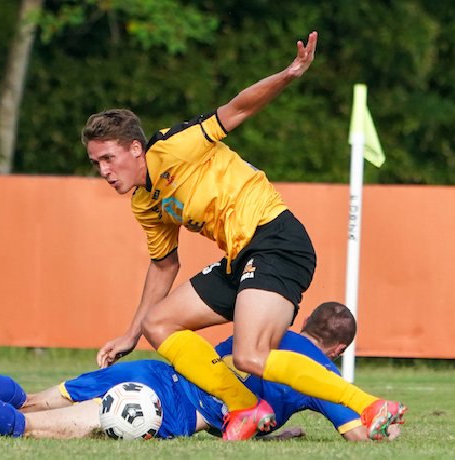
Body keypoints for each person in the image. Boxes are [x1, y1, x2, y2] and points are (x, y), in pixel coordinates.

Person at [81, 30, 405, 440]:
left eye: (108, 158)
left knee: (250, 355)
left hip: (276, 240)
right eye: (96, 163)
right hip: (242, 256)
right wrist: (132, 331)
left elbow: (235, 109)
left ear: (134, 148)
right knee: (158, 323)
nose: (104, 171)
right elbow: (164, 264)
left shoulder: (174, 147)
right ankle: (244, 408)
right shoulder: (144, 203)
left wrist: (288, 74)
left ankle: (368, 405)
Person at [0, 302, 403, 441]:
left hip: (156, 369)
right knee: (24, 430)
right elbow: (360, 431)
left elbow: (247, 391)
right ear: (337, 349)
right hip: (171, 408)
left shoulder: (264, 328)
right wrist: (391, 428)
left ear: (303, 319)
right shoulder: (317, 373)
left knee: (24, 402)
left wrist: (276, 427)